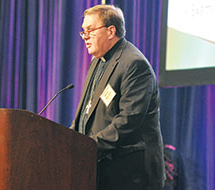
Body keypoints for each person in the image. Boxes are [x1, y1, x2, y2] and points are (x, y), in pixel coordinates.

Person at [71, 4, 165, 190]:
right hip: (102, 169)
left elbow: (128, 120)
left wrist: (88, 149)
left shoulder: (135, 65)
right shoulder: (98, 61)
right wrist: (67, 141)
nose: (85, 37)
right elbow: (85, 115)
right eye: (83, 32)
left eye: (90, 30)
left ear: (110, 31)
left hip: (130, 174)